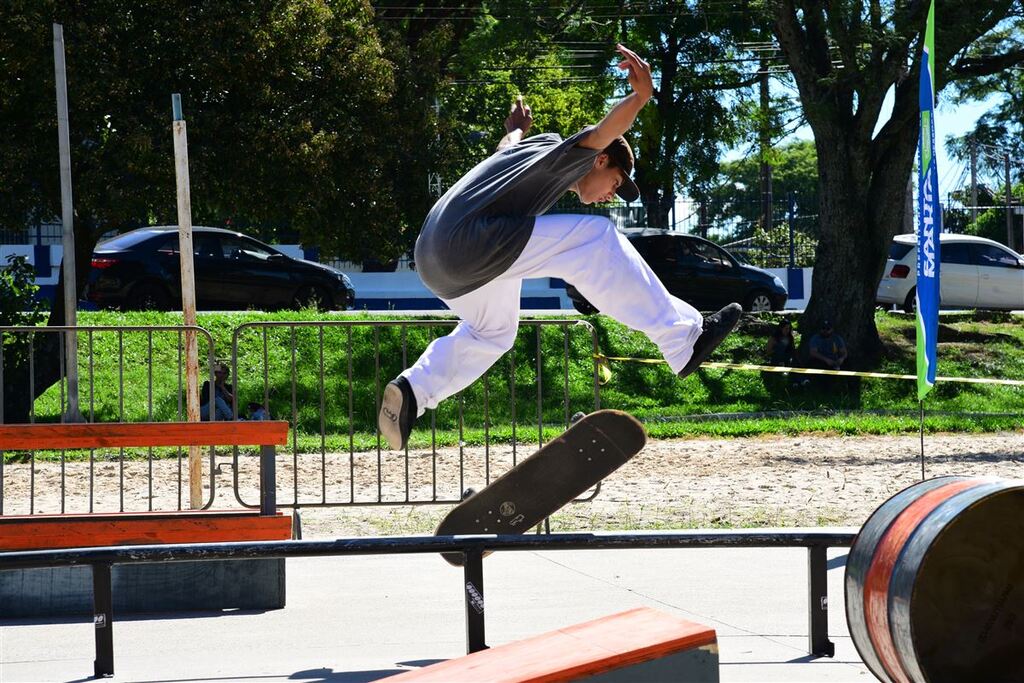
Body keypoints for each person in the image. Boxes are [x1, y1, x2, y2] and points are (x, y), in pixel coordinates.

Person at [378, 44, 742, 451]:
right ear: (601, 162)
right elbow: (605, 132)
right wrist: (640, 99)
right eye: (616, 184)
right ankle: (682, 339)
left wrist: (516, 126)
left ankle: (411, 391)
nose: (610, 195)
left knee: (493, 332)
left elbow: (504, 146)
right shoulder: (570, 157)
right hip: (470, 243)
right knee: (595, 239)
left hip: (434, 257)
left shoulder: (529, 154)